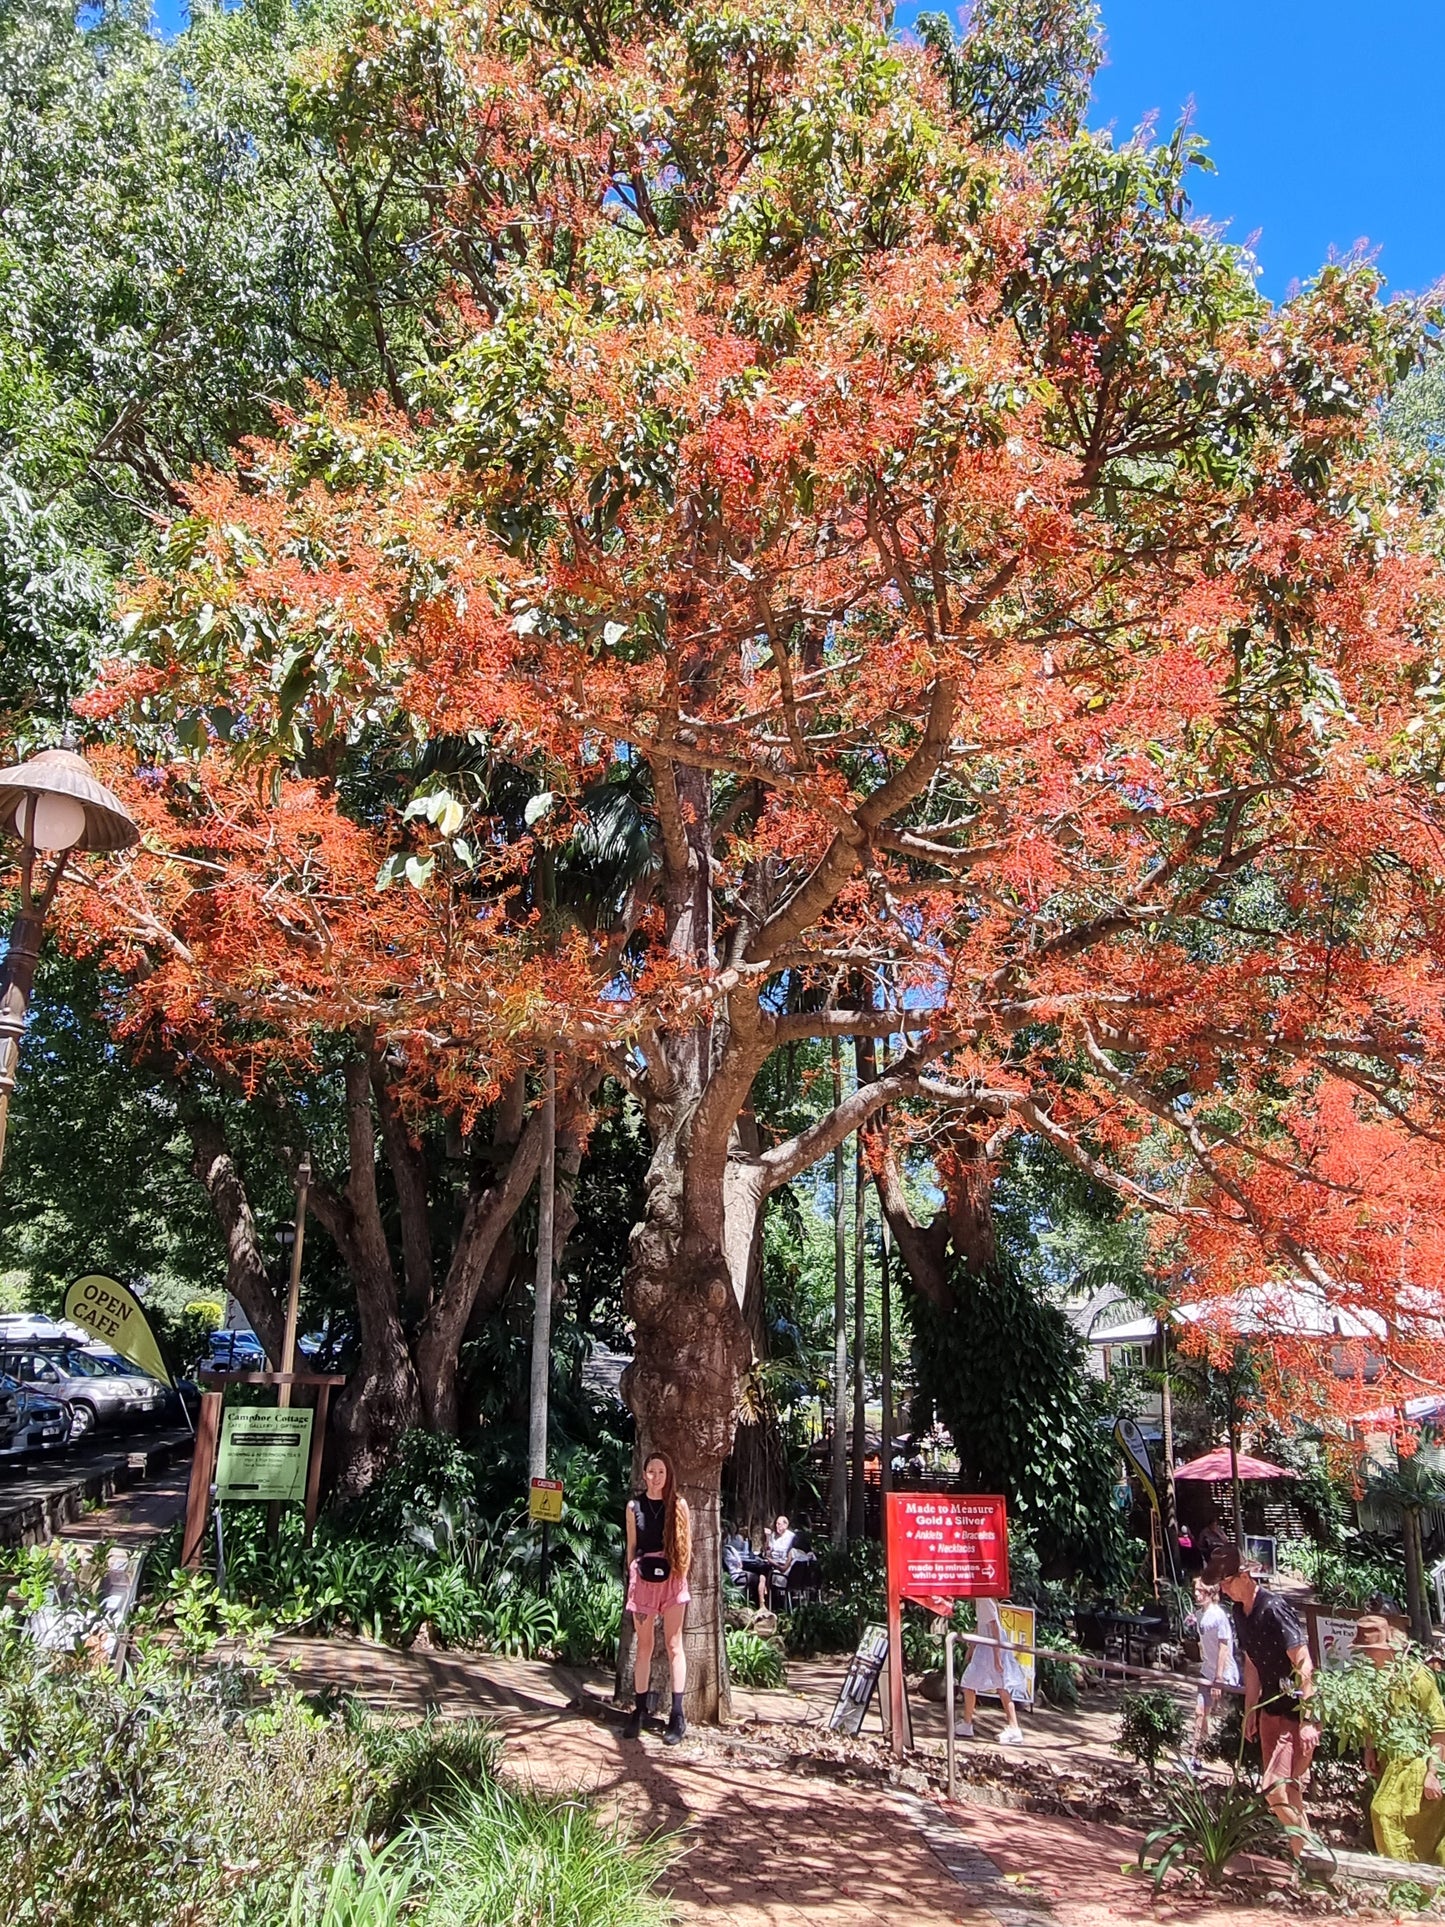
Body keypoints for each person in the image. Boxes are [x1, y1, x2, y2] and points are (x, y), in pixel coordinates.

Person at [1204, 1542, 1320, 1860]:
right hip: (1268, 1708)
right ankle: (1305, 1866)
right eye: (1221, 1584)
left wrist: (1309, 1720)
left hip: (1295, 1710)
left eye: (1227, 1581)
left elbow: (1303, 1663)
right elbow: (1252, 1663)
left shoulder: (1273, 1607)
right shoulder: (1239, 1614)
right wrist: (1249, 1711)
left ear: (1244, 1576)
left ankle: (1313, 1853)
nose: (1225, 1590)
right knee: (1289, 1793)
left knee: (1274, 1789)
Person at [1350, 1614, 1445, 1866]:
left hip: (1418, 1762)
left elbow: (1439, 1727)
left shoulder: (1417, 1678)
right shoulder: (1374, 1678)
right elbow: (1372, 1717)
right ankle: (1408, 1886)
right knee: (1398, 1824)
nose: (1367, 1655)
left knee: (1384, 1813)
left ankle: (1405, 1882)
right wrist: (1369, 1748)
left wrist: (1433, 1772)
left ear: (1388, 1649)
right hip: (1390, 1763)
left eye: (1371, 1650)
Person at [623, 1450, 692, 1745]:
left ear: (668, 1474)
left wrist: (679, 1576)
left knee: (674, 1645)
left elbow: (687, 1547)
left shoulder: (678, 1505)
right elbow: (632, 1546)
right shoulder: (633, 1506)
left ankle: (677, 1714)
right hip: (644, 1579)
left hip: (673, 1577)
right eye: (651, 1471)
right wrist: (633, 1573)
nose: (655, 1476)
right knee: (644, 1647)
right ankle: (639, 1709)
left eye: (661, 1471)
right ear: (644, 1473)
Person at [956, 1596, 1027, 1747]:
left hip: (991, 1647)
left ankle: (1012, 1728)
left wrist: (997, 1657)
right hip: (987, 1645)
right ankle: (967, 1723)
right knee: (993, 1686)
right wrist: (971, 1647)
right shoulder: (983, 1599)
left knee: (975, 1683)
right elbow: (981, 1624)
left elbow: (994, 1626)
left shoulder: (984, 1599)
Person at [1188, 1578, 1240, 1767]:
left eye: (1201, 1591)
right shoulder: (1200, 1614)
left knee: (1230, 1717)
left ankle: (1237, 1758)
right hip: (1206, 1670)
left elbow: (1224, 1648)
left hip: (1225, 1674)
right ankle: (1196, 1755)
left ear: (1210, 1593)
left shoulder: (1219, 1616)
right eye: (1196, 1590)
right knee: (1200, 1712)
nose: (1196, 1594)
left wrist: (1219, 1678)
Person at [757, 1514, 796, 1608]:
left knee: (763, 1574)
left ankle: (763, 1603)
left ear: (786, 1525)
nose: (777, 1526)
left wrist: (771, 1560)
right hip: (771, 1562)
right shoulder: (773, 1535)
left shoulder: (791, 1537)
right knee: (761, 1570)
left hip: (781, 1564)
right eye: (776, 1524)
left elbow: (786, 1557)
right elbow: (768, 1550)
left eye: (780, 1524)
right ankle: (763, 1602)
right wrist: (767, 1537)